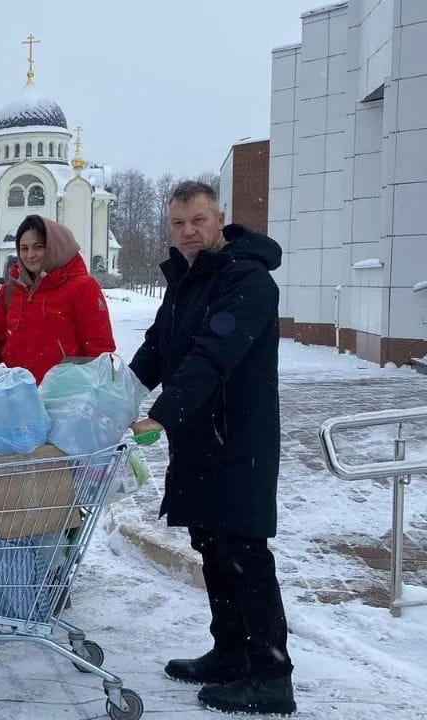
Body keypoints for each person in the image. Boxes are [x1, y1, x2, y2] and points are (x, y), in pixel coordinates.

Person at [128, 181, 294, 716]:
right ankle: (230, 653)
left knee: (245, 553)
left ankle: (272, 676)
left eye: (197, 220)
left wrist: (159, 413)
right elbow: (158, 346)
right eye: (178, 224)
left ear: (219, 217)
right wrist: (116, 393)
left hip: (238, 439)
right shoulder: (186, 279)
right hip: (198, 438)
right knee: (213, 548)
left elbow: (211, 355)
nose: (188, 232)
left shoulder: (246, 279)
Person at [0, 215, 115, 383]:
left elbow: (99, 349)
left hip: (66, 397)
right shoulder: (10, 290)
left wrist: (89, 393)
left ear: (54, 247)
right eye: (24, 248)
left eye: (38, 247)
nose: (30, 255)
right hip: (17, 395)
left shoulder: (82, 287)